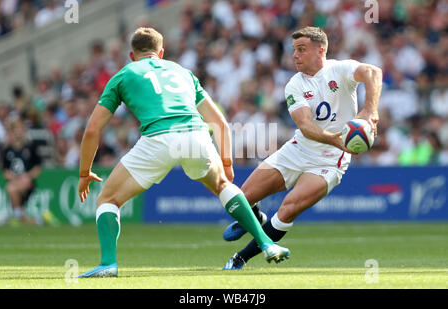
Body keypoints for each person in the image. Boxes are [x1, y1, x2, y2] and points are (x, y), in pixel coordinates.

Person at [77, 27, 290, 278]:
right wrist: (227, 162)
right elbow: (219, 122)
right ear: (161, 52)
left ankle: (108, 264)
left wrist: (84, 172)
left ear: (132, 56)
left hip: (158, 138)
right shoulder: (182, 72)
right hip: (195, 135)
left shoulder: (124, 74)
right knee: (222, 185)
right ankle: (266, 243)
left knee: (108, 200)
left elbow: (92, 130)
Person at [222, 26, 383, 270]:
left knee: (287, 209)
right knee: (242, 198)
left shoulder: (339, 70)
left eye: (301, 49)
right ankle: (256, 218)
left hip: (330, 160)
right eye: (294, 50)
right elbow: (306, 126)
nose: (295, 55)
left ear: (321, 50)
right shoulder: (294, 85)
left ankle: (240, 258)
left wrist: (371, 109)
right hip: (299, 149)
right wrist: (337, 139)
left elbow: (373, 71)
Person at [1, 117, 42, 225]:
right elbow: (5, 172)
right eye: (16, 129)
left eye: (21, 129)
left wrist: (27, 176)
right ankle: (23, 218)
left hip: (28, 183)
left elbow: (38, 168)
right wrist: (16, 178)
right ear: (12, 132)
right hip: (15, 181)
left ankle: (17, 216)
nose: (19, 132)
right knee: (11, 187)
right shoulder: (7, 150)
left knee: (12, 187)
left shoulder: (31, 147)